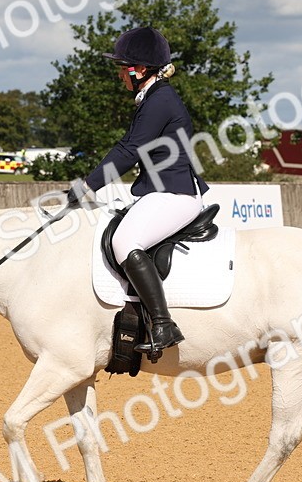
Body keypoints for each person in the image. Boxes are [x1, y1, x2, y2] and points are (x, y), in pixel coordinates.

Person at [67, 26, 209, 353]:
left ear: (139, 69)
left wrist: (89, 184)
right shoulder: (152, 97)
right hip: (160, 191)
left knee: (124, 241)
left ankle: (163, 325)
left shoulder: (160, 100)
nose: (119, 75)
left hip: (174, 194)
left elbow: (129, 150)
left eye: (122, 68)